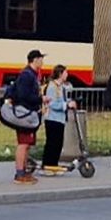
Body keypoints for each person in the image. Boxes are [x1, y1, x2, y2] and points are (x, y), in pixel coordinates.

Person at [12, 49, 48, 184]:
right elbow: (23, 95)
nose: (43, 61)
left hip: (30, 114)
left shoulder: (32, 74)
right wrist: (41, 99)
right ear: (35, 60)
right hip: (25, 114)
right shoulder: (27, 75)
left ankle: (24, 170)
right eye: (41, 58)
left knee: (27, 144)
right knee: (23, 143)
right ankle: (19, 173)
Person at [41, 65, 76, 173]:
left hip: (59, 119)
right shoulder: (52, 87)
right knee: (52, 143)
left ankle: (53, 164)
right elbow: (52, 104)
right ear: (60, 74)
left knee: (58, 143)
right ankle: (48, 164)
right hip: (52, 119)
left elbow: (61, 99)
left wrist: (69, 102)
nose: (67, 75)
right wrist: (66, 105)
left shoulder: (60, 86)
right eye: (66, 72)